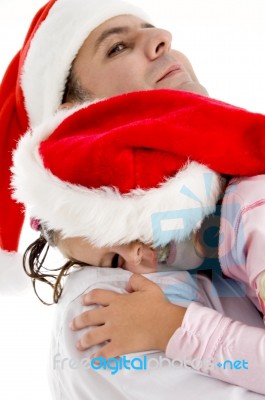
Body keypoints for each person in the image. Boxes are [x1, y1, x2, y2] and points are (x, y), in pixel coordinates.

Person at [1, 0, 265, 396]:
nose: (162, 38)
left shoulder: (248, 206)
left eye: (150, 28)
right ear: (72, 115)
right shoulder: (108, 305)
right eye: (117, 47)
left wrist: (176, 327)